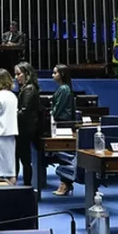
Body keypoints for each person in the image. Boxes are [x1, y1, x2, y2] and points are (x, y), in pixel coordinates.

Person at [14, 63, 42, 188]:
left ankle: (26, 186)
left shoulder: (29, 89)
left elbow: (24, 111)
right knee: (22, 159)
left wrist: (10, 115)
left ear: (27, 74)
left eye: (18, 74)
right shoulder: (27, 88)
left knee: (24, 160)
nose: (16, 77)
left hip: (24, 129)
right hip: (25, 128)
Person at [50, 64, 75, 196]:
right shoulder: (63, 88)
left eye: (55, 73)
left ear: (62, 74)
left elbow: (58, 108)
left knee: (64, 154)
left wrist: (51, 116)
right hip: (63, 123)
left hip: (63, 124)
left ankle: (65, 183)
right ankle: (65, 183)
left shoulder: (64, 89)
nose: (53, 75)